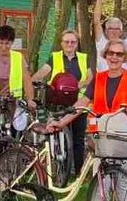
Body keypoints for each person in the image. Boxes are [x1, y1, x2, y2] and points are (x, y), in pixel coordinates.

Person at [47, 40, 127, 201]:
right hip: (101, 139)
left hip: (124, 137)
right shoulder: (99, 79)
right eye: (111, 53)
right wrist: (61, 122)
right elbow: (82, 104)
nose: (114, 57)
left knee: (124, 183)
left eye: (119, 54)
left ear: (125, 58)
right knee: (102, 181)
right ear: (105, 55)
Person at [32, 28, 91, 172]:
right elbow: (42, 72)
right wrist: (33, 82)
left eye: (73, 42)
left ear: (77, 43)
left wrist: (81, 84)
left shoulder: (83, 58)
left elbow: (90, 77)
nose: (70, 44)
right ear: (61, 43)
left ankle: (78, 171)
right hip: (58, 103)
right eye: (67, 42)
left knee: (78, 139)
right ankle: (62, 170)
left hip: (77, 103)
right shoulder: (55, 57)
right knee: (60, 136)